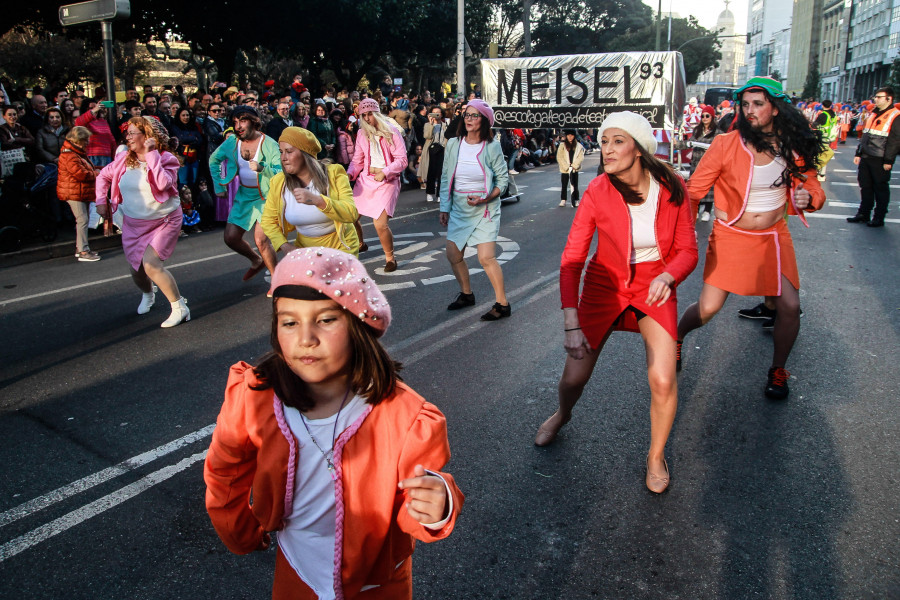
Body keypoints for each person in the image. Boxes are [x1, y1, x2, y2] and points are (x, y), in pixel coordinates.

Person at [204, 246, 464, 600]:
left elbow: (414, 501)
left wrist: (437, 507)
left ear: (359, 325)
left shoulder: (405, 417)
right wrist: (240, 531)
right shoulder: (256, 396)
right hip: (297, 572)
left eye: (326, 320)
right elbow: (226, 470)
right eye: (289, 322)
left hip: (376, 581)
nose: (306, 338)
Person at [533, 111, 698, 494]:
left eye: (617, 141)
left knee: (662, 377)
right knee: (575, 377)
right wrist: (570, 323)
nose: (606, 149)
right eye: (604, 141)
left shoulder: (673, 187)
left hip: (654, 285)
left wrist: (668, 275)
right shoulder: (597, 191)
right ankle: (563, 414)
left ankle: (656, 455)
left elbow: (688, 250)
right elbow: (572, 258)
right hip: (604, 284)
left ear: (638, 149)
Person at [677, 77, 826, 400]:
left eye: (757, 104)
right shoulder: (726, 144)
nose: (750, 111)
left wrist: (808, 199)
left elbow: (811, 184)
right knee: (707, 309)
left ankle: (778, 370)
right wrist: (682, 238)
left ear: (775, 108)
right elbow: (694, 192)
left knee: (790, 305)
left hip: (774, 237)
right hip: (731, 237)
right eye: (745, 105)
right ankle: (677, 336)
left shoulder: (792, 145)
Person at [95, 116, 191, 328]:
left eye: (132, 133)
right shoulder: (123, 159)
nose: (127, 137)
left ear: (147, 136)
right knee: (136, 270)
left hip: (164, 220)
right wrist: (101, 201)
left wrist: (151, 154)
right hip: (134, 224)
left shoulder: (166, 158)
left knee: (151, 265)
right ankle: (148, 294)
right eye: (127, 133)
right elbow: (103, 176)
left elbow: (164, 183)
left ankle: (179, 307)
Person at [438, 99, 511, 321]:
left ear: (485, 120)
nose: (469, 119)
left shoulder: (491, 146)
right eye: (466, 115)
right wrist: (444, 206)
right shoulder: (453, 143)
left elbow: (503, 179)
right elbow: (445, 176)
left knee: (486, 258)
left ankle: (502, 303)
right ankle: (467, 294)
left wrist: (486, 197)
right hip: (460, 207)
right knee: (453, 254)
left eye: (474, 115)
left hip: (485, 208)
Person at [208, 106, 282, 281]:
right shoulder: (232, 141)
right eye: (235, 122)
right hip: (244, 196)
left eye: (242, 121)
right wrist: (219, 186)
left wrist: (262, 168)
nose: (238, 126)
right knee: (231, 237)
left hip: (267, 197)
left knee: (261, 240)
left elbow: (281, 172)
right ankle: (256, 260)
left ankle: (277, 278)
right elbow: (214, 160)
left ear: (254, 121)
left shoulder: (269, 143)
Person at [261, 127, 360, 256]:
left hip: (341, 247)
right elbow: (268, 221)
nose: (283, 158)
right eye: (281, 152)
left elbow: (351, 213)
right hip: (305, 250)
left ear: (305, 154)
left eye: (289, 151)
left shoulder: (334, 173)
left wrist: (318, 201)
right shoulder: (279, 182)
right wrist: (284, 246)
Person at [347, 98, 407, 272]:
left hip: (387, 181)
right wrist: (349, 174)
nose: (367, 118)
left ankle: (390, 258)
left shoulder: (392, 132)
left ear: (377, 113)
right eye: (363, 115)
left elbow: (402, 160)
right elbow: (357, 160)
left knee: (380, 224)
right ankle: (360, 243)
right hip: (365, 180)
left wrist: (385, 172)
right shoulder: (361, 134)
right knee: (349, 218)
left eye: (370, 114)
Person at [848, 86, 900, 228]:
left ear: (889, 99)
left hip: (880, 158)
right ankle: (864, 213)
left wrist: (888, 160)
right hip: (867, 155)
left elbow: (895, 140)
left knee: (880, 188)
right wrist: (859, 152)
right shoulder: (873, 113)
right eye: (875, 97)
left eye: (879, 97)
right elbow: (866, 135)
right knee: (865, 186)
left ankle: (879, 217)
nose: (875, 99)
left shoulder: (895, 115)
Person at [57, 126, 100, 262]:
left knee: (83, 220)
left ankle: (81, 247)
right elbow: (80, 174)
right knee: (82, 220)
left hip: (78, 191)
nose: (88, 142)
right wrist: (97, 173)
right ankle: (83, 251)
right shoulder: (70, 155)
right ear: (78, 140)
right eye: (85, 140)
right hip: (75, 192)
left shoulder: (74, 153)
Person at [689, 105, 719, 221]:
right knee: (695, 187)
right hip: (696, 162)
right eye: (702, 116)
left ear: (712, 117)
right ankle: (696, 208)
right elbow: (690, 142)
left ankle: (707, 210)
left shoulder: (717, 132)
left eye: (707, 116)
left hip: (710, 163)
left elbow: (720, 147)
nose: (704, 118)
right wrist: (677, 144)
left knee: (709, 187)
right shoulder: (697, 130)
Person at [419, 107, 448, 203]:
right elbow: (427, 136)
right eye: (433, 113)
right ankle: (429, 192)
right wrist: (431, 124)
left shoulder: (445, 125)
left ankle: (439, 194)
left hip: (442, 150)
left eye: (438, 113)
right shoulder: (427, 124)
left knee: (441, 173)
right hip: (430, 150)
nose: (435, 115)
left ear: (442, 114)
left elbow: (448, 138)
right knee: (430, 172)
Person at [556, 129, 585, 208]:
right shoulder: (562, 145)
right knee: (564, 184)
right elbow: (559, 156)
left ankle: (576, 200)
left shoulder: (578, 145)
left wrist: (575, 165)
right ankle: (563, 199)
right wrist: (565, 166)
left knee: (575, 184)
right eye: (568, 135)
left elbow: (580, 157)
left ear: (574, 136)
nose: (570, 137)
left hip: (574, 168)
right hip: (565, 168)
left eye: (571, 135)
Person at [813, 100, 839, 181]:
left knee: (819, 155)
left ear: (822, 105)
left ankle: (820, 174)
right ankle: (822, 174)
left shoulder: (823, 115)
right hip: (829, 136)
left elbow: (815, 124)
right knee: (825, 154)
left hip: (821, 136)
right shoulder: (833, 114)